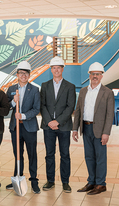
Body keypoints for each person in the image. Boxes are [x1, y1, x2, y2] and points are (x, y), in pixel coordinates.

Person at [72, 62, 115, 195]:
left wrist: (106, 133)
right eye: (92, 74)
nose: (95, 76)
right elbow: (78, 110)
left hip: (100, 130)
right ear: (89, 75)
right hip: (86, 128)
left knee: (100, 157)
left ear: (102, 76)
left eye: (98, 74)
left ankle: (101, 184)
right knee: (89, 156)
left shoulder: (107, 92)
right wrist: (75, 129)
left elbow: (110, 114)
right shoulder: (84, 91)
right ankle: (91, 182)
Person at [40, 57, 76, 193]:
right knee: (49, 154)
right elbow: (42, 105)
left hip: (64, 126)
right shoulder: (45, 85)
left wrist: (58, 121)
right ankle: (50, 181)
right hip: (48, 126)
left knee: (65, 154)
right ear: (51, 69)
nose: (56, 70)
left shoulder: (70, 86)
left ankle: (65, 182)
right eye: (54, 68)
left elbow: (70, 106)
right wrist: (50, 121)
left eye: (59, 67)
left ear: (62, 69)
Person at [5, 61, 41, 194]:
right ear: (17, 74)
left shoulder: (35, 90)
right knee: (17, 154)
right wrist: (13, 102)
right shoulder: (11, 89)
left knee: (32, 154)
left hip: (29, 127)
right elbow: (7, 106)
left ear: (29, 75)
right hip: (15, 128)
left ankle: (34, 181)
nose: (23, 75)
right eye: (21, 73)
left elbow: (36, 109)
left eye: (26, 73)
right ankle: (17, 178)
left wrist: (24, 116)